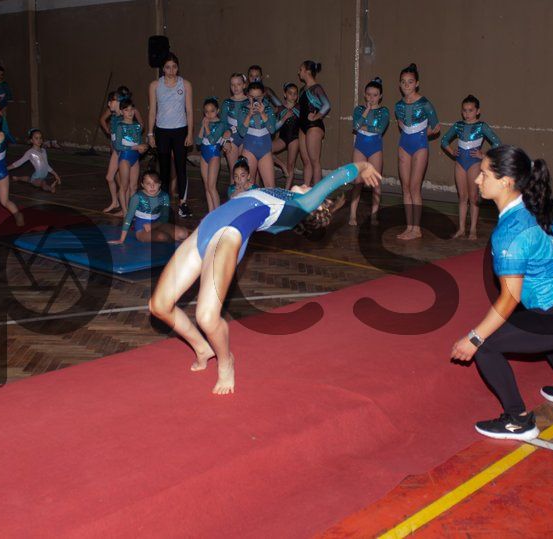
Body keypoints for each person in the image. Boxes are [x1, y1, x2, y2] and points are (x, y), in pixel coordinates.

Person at [148, 161, 382, 395]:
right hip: (205, 229)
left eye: (313, 192)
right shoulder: (284, 198)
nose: (308, 185)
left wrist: (363, 166)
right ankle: (202, 348)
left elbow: (337, 178)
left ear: (314, 208)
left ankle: (226, 361)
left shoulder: (301, 205)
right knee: (159, 306)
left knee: (207, 318)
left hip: (226, 237)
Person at [450, 145, 553, 440]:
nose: (478, 180)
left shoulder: (510, 232)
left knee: (487, 345)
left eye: (484, 174)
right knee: (540, 320)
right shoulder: (533, 205)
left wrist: (474, 338)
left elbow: (510, 297)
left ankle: (518, 420)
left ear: (506, 181)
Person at [441, 95, 501, 239]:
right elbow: (444, 140)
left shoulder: (482, 126)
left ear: (477, 111)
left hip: (474, 163)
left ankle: (473, 229)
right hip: (460, 163)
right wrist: (452, 151)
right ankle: (461, 228)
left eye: (470, 110)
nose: (467, 114)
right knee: (462, 197)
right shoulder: (458, 126)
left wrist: (483, 155)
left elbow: (497, 143)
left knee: (473, 197)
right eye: (464, 110)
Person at [394, 63, 440, 240]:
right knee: (405, 187)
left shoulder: (425, 103)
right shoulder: (398, 105)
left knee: (414, 187)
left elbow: (436, 127)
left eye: (410, 82)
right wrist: (409, 131)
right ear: (400, 84)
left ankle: (417, 229)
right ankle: (409, 227)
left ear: (417, 84)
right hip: (404, 145)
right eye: (403, 82)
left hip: (420, 145)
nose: (406, 85)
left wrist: (420, 134)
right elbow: (400, 123)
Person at [148, 53, 194, 218]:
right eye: (168, 67)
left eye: (174, 67)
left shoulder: (185, 84)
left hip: (180, 130)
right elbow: (152, 111)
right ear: (163, 68)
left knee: (181, 168)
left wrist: (190, 133)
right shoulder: (155, 85)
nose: (171, 70)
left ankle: (183, 203)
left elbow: (189, 110)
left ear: (178, 67)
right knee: (164, 169)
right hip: (162, 131)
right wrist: (150, 133)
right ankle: (164, 204)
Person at [349, 77, 389, 226]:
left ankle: (374, 215)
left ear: (380, 96)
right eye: (369, 94)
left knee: (376, 183)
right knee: (357, 182)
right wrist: (366, 111)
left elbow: (380, 129)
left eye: (375, 95)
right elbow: (355, 126)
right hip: (360, 147)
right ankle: (352, 215)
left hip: (375, 148)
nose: (371, 98)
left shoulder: (384, 111)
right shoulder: (359, 110)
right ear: (365, 95)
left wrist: (364, 127)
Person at [109, 171, 188, 244]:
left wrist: (152, 226)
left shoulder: (164, 196)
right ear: (142, 185)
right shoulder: (137, 197)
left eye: (155, 183)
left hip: (158, 225)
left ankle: (177, 239)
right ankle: (176, 242)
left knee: (183, 234)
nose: (152, 186)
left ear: (159, 184)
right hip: (142, 229)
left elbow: (164, 218)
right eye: (148, 183)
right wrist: (121, 239)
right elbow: (128, 217)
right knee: (162, 237)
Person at [237, 81, 277, 188]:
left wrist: (263, 114)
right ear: (247, 95)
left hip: (265, 150)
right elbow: (241, 132)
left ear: (263, 96)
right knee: (248, 186)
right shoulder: (243, 109)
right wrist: (249, 115)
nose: (255, 100)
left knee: (270, 187)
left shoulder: (268, 109)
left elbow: (272, 130)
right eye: (252, 97)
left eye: (258, 97)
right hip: (249, 150)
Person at [297, 60, 330, 186]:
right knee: (306, 162)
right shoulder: (302, 89)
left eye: (301, 69)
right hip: (303, 127)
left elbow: (327, 105)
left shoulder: (317, 88)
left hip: (314, 127)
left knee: (314, 162)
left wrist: (316, 116)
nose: (299, 72)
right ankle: (306, 189)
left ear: (308, 71)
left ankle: (317, 193)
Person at [113, 100, 148, 215]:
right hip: (125, 158)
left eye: (132, 109)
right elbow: (118, 145)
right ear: (122, 112)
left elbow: (138, 142)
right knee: (124, 186)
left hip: (135, 158)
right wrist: (136, 147)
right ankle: (124, 211)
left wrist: (143, 148)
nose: (130, 112)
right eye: (126, 110)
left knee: (134, 187)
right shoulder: (120, 126)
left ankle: (131, 210)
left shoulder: (137, 126)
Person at [196, 97, 230, 212]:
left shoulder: (220, 124)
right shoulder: (205, 123)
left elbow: (212, 140)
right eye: (206, 111)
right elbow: (198, 142)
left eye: (212, 111)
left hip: (214, 154)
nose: (209, 114)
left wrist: (206, 127)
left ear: (217, 111)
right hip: (204, 154)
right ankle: (211, 212)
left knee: (211, 187)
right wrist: (202, 126)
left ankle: (218, 213)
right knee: (207, 187)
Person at [8, 128, 62, 193]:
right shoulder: (30, 152)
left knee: (29, 179)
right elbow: (19, 162)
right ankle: (50, 188)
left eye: (40, 138)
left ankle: (17, 178)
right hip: (36, 178)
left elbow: (46, 165)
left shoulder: (43, 151)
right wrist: (6, 168)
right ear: (31, 140)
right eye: (36, 138)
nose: (39, 140)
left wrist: (55, 174)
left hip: (42, 176)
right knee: (42, 183)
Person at [220, 73, 249, 179]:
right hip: (232, 139)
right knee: (234, 174)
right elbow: (223, 124)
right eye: (232, 85)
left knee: (246, 173)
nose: (235, 87)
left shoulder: (249, 102)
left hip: (246, 136)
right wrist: (225, 141)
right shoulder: (227, 103)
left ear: (244, 85)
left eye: (238, 84)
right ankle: (233, 190)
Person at [272, 83, 300, 189]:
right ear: (285, 94)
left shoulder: (299, 108)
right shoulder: (279, 109)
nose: (292, 96)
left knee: (291, 165)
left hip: (294, 138)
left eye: (295, 94)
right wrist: (284, 118)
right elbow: (274, 127)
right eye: (290, 93)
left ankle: (287, 190)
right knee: (266, 150)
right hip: (282, 138)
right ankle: (282, 165)